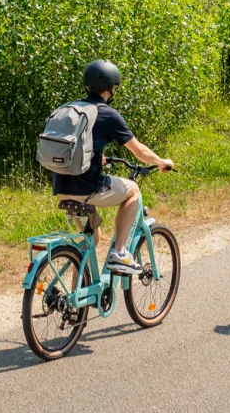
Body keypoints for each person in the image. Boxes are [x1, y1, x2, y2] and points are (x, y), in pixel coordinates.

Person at [53, 59, 173, 274]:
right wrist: (161, 162)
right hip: (86, 190)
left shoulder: (71, 109)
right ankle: (119, 253)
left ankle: (75, 300)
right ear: (111, 87)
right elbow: (139, 151)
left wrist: (94, 157)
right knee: (133, 191)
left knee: (92, 239)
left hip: (62, 189)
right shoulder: (107, 113)